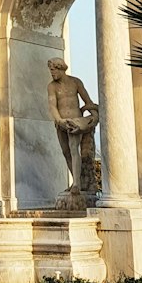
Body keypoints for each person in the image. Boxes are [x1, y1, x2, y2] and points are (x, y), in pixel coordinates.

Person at [47, 59, 100, 197]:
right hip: (61, 122)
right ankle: (76, 180)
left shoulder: (75, 82)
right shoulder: (52, 86)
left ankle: (76, 183)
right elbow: (52, 105)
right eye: (50, 71)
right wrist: (58, 120)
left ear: (61, 69)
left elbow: (88, 101)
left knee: (74, 149)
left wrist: (92, 117)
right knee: (66, 152)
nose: (52, 73)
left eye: (53, 70)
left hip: (74, 122)